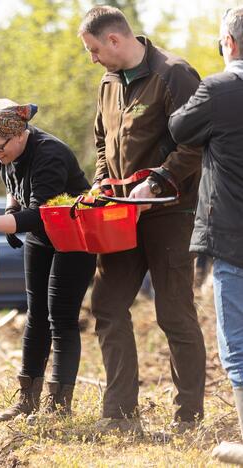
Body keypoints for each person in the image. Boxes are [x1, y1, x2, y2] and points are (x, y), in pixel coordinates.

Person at [78, 6, 206, 433]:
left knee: (174, 313)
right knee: (108, 305)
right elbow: (102, 141)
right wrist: (101, 182)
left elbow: (197, 143)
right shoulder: (108, 83)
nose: (92, 58)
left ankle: (188, 418)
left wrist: (159, 180)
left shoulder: (175, 74)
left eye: (94, 50)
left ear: (114, 40)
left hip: (171, 213)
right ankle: (120, 415)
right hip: (119, 216)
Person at [0, 98, 96, 420]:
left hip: (75, 238)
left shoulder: (51, 154)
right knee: (36, 314)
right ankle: (27, 399)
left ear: (20, 135)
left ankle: (58, 406)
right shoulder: (3, 151)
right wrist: (9, 212)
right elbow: (15, 188)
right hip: (42, 236)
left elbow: (38, 216)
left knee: (60, 317)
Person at [168, 7, 243, 437]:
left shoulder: (219, 88)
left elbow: (180, 128)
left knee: (237, 344)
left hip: (233, 237)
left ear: (228, 43)